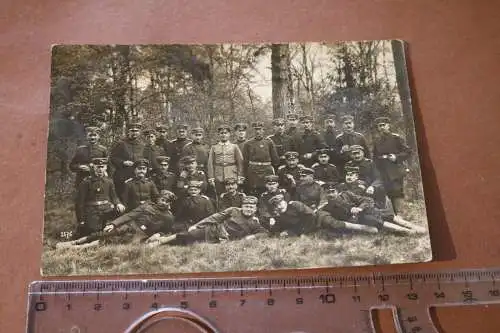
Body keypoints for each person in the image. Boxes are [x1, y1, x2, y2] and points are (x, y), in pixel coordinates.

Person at [57, 158, 126, 248]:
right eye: (98, 167)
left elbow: (114, 197)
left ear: (105, 168)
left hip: (106, 210)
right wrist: (81, 220)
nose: (100, 169)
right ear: (93, 168)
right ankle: (78, 244)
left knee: (120, 224)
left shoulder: (109, 181)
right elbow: (79, 203)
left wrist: (118, 203)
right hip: (92, 212)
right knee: (95, 232)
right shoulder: (86, 182)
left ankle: (105, 239)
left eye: (102, 167)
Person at [148, 196, 267, 246]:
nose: (248, 209)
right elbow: (214, 217)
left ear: (255, 209)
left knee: (187, 243)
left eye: (251, 207)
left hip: (222, 241)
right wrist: (197, 225)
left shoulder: (255, 222)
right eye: (246, 206)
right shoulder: (233, 210)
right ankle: (160, 241)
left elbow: (264, 233)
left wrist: (252, 237)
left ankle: (161, 237)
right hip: (212, 230)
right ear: (242, 206)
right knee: (187, 234)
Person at [321, 183, 417, 235]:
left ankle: (412, 226)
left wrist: (359, 208)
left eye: (332, 191)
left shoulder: (347, 194)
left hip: (363, 212)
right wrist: (353, 214)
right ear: (324, 194)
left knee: (384, 214)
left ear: (337, 191)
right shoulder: (327, 207)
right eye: (327, 192)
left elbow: (365, 200)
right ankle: (404, 231)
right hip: (356, 220)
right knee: (372, 219)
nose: (330, 194)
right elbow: (339, 218)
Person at [372, 116, 412, 216]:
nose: (381, 128)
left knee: (397, 191)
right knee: (388, 192)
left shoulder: (396, 138)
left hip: (395, 170)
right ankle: (392, 215)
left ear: (388, 126)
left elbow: (408, 151)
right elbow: (375, 157)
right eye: (379, 126)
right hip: (383, 171)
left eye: (383, 125)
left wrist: (396, 157)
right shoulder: (377, 141)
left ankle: (401, 215)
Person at [103, 191, 177, 243]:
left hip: (142, 235)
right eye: (162, 200)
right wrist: (113, 224)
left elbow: (166, 231)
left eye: (167, 202)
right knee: (106, 236)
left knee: (125, 246)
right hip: (130, 226)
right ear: (158, 199)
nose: (164, 203)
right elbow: (130, 215)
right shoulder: (147, 205)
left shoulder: (169, 217)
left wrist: (159, 234)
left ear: (170, 203)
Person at [110, 121, 146, 201]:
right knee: (122, 197)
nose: (134, 133)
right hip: (123, 175)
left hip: (137, 176)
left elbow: (145, 160)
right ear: (128, 131)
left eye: (136, 131)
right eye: (132, 130)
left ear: (139, 132)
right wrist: (123, 162)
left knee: (135, 197)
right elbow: (113, 158)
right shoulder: (121, 144)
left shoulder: (142, 145)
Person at [242, 121, 280, 196]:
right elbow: (245, 161)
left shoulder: (269, 142)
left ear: (263, 130)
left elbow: (275, 159)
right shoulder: (248, 143)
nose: (258, 131)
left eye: (260, 129)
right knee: (253, 190)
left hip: (266, 170)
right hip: (253, 171)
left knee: (267, 189)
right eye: (256, 129)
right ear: (253, 131)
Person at [207, 124, 244, 194]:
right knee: (219, 195)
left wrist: (240, 176)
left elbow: (240, 163)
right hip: (218, 176)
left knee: (232, 194)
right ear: (218, 134)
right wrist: (211, 177)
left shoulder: (234, 147)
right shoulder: (214, 147)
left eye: (225, 133)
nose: (223, 135)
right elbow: (210, 163)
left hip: (232, 174)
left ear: (229, 134)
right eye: (221, 133)